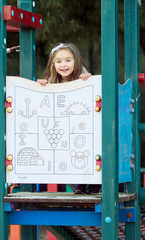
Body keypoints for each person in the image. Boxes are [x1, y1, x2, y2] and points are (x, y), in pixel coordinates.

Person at [37, 43, 100, 194]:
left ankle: (94, 184)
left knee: (87, 150)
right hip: (63, 125)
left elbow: (92, 88)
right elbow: (43, 98)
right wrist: (42, 84)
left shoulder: (82, 77)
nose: (63, 65)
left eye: (68, 60)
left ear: (76, 61)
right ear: (53, 64)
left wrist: (87, 78)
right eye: (58, 61)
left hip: (82, 123)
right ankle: (79, 184)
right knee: (70, 153)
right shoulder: (52, 80)